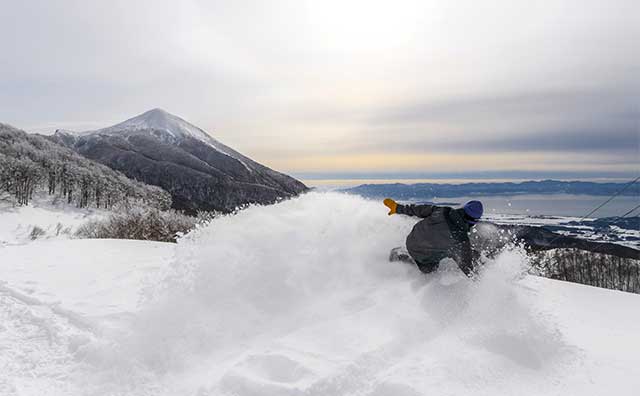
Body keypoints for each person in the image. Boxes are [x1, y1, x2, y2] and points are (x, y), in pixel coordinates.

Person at [383, 198, 483, 276]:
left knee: (452, 249)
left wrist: (397, 208)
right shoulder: (461, 239)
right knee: (430, 269)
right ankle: (403, 255)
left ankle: (405, 251)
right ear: (474, 221)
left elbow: (419, 210)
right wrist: (479, 280)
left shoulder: (444, 210)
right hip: (421, 255)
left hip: (412, 239)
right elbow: (467, 266)